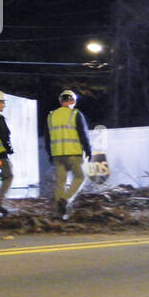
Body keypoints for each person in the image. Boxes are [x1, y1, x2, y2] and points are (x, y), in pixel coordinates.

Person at [47, 89, 91, 219]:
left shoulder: (51, 116)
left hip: (57, 155)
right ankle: (65, 200)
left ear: (61, 101)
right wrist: (88, 150)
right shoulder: (76, 114)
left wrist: (50, 153)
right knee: (80, 177)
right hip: (73, 154)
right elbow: (83, 134)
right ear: (72, 101)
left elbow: (47, 137)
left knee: (60, 182)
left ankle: (59, 213)